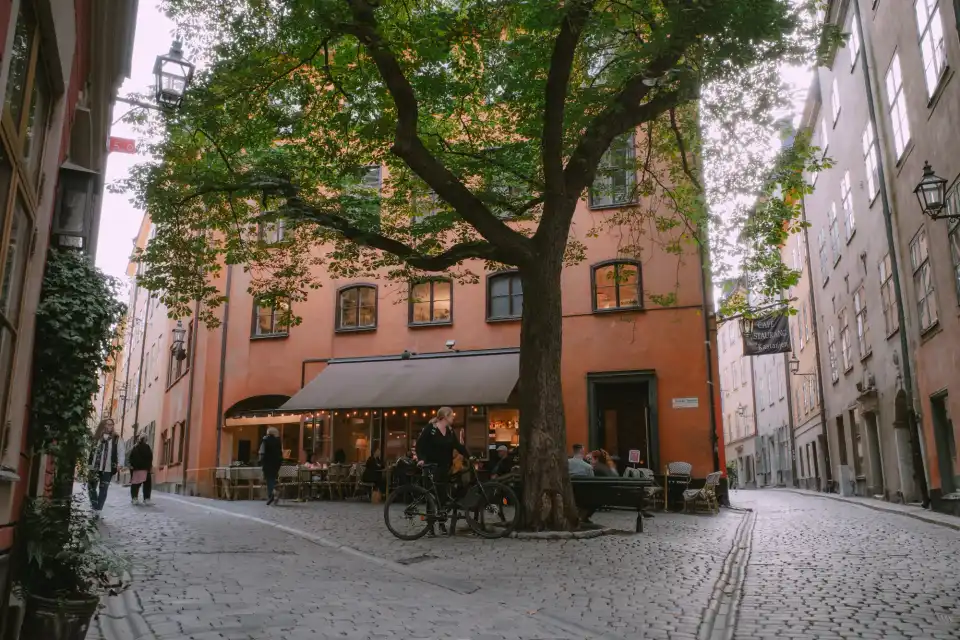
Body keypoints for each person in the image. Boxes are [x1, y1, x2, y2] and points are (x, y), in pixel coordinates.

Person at [415, 407, 469, 535]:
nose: (453, 418)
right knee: (431, 497)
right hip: (431, 467)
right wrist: (422, 459)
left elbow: (457, 445)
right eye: (451, 416)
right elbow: (419, 445)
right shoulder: (431, 429)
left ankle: (441, 524)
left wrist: (469, 455)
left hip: (445, 467)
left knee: (442, 497)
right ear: (445, 417)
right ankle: (430, 527)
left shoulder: (450, 431)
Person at [87, 419, 125, 517]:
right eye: (108, 424)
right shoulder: (96, 438)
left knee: (103, 489)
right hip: (94, 467)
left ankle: (98, 509)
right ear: (103, 425)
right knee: (91, 487)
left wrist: (120, 464)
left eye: (112, 425)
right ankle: (95, 505)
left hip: (108, 468)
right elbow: (90, 451)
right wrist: (88, 464)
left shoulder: (117, 438)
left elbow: (121, 452)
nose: (110, 427)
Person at [260, 427, 283, 505]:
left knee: (269, 479)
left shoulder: (265, 440)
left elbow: (262, 452)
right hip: (276, 463)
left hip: (267, 462)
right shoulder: (278, 441)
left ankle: (271, 494)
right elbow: (280, 452)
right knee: (273, 478)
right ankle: (274, 493)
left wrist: (261, 461)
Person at [129, 433, 154, 505]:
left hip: (139, 469)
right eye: (145, 438)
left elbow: (131, 458)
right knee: (145, 485)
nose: (145, 440)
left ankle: (136, 498)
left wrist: (132, 466)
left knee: (136, 485)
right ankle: (145, 499)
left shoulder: (136, 447)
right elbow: (150, 458)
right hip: (143, 469)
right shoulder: (146, 447)